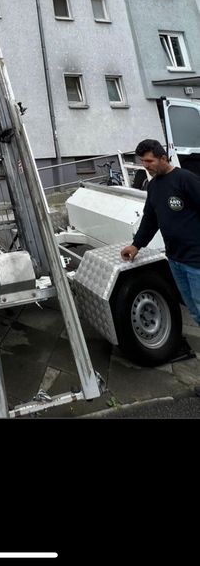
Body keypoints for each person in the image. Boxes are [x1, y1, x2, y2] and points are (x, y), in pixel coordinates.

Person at [121, 139, 200, 395]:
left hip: (197, 262)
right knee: (197, 315)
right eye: (142, 162)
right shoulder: (154, 187)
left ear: (163, 157)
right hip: (175, 260)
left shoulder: (185, 180)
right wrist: (136, 245)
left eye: (150, 161)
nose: (146, 166)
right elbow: (150, 219)